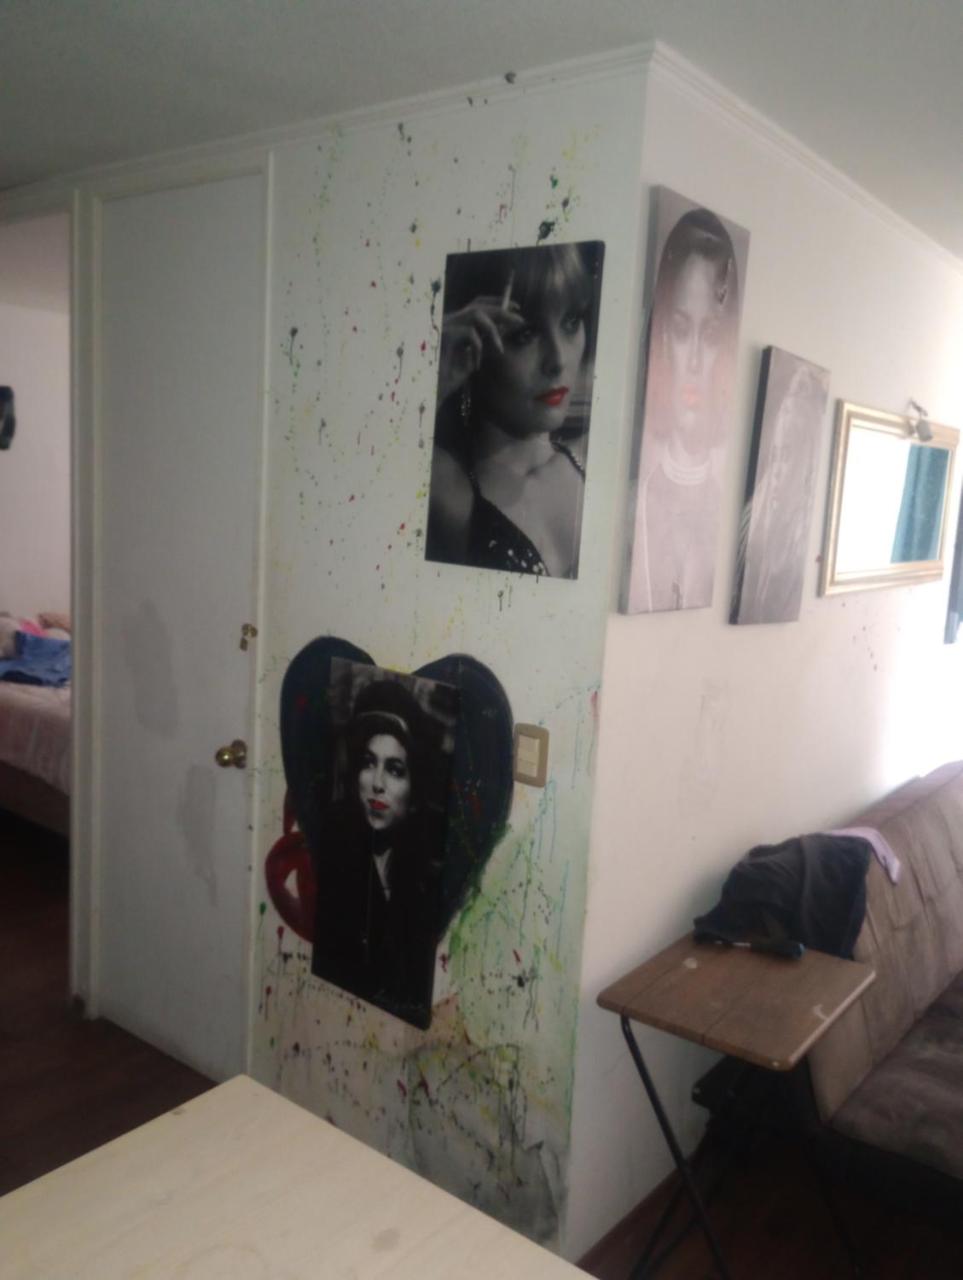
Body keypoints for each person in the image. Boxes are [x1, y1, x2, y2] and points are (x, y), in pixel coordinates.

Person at [425, 242, 602, 579]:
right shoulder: (447, 492)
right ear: (469, 344)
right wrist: (432, 371)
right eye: (525, 334)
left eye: (570, 321)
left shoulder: (596, 457)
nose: (558, 360)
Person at [311, 679, 444, 1028]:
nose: (377, 783)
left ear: (414, 791)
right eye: (368, 763)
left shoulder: (424, 877)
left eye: (395, 770)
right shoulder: (333, 850)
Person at [627, 208, 740, 613]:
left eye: (709, 335)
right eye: (679, 330)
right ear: (661, 339)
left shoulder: (728, 516)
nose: (693, 360)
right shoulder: (631, 505)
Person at [734, 359, 828, 624]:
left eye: (786, 456)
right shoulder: (752, 518)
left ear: (806, 463)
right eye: (774, 454)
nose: (775, 471)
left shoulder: (802, 538)